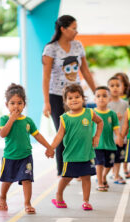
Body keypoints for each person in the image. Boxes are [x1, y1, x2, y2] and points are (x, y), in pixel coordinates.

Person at [42, 15, 96, 177]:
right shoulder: (50, 49)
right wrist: (46, 102)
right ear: (63, 29)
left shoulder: (78, 46)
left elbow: (85, 71)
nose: (76, 31)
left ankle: (80, 169)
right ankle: (63, 171)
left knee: (81, 132)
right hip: (57, 96)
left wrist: (97, 92)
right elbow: (45, 77)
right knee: (63, 132)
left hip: (77, 96)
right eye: (73, 28)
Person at [0, 83, 54, 214]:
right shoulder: (4, 119)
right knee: (7, 180)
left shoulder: (28, 121)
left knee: (26, 179)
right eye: (12, 103)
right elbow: (2, 134)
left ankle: (27, 203)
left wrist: (49, 147)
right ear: (7, 105)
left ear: (24, 105)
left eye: (19, 103)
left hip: (26, 156)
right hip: (10, 156)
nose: (16, 106)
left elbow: (37, 135)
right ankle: (2, 196)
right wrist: (11, 119)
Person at [50, 84, 103, 211]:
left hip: (86, 154)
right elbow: (59, 136)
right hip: (71, 155)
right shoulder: (64, 118)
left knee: (86, 177)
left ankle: (86, 201)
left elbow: (100, 122)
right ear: (65, 101)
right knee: (67, 177)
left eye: (77, 97)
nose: (74, 100)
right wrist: (51, 148)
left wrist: (96, 137)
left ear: (83, 98)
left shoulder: (89, 113)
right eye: (70, 98)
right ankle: (59, 195)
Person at [93, 86, 123, 191]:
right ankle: (100, 182)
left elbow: (116, 127)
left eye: (104, 96)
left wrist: (119, 136)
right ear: (94, 99)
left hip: (110, 144)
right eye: (98, 96)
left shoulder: (112, 114)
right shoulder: (92, 113)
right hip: (97, 144)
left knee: (110, 164)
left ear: (109, 99)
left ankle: (104, 176)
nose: (101, 98)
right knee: (99, 163)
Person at [107, 76, 129, 183]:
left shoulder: (125, 104)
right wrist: (113, 118)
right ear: (108, 88)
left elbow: (127, 120)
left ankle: (116, 175)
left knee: (119, 157)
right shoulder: (107, 105)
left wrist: (123, 135)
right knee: (109, 158)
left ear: (122, 87)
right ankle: (104, 175)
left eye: (117, 85)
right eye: (112, 86)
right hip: (109, 136)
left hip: (121, 135)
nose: (115, 88)